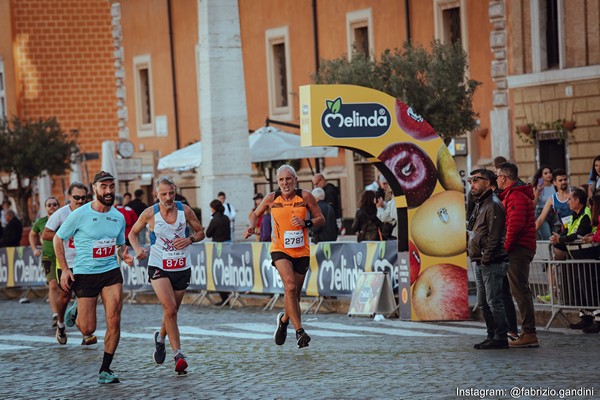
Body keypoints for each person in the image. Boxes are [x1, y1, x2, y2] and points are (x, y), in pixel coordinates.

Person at [54, 171, 134, 384]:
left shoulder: (117, 216)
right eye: (104, 187)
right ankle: (77, 309)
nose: (109, 191)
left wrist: (124, 255)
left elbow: (119, 244)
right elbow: (57, 238)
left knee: (114, 320)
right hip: (85, 273)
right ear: (95, 189)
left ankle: (105, 369)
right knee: (88, 329)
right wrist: (64, 269)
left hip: (110, 272)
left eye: (111, 187)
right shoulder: (80, 214)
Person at [129, 175, 204, 375]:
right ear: (156, 195)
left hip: (181, 266)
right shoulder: (149, 213)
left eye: (171, 193)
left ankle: (160, 339)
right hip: (158, 265)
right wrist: (137, 249)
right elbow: (132, 234)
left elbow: (200, 232)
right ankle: (178, 355)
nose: (168, 197)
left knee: (172, 312)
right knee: (169, 308)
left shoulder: (185, 210)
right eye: (164, 194)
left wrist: (189, 240)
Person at [244, 165, 324, 349]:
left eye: (288, 179)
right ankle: (300, 332)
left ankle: (284, 320)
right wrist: (251, 226)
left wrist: (306, 223)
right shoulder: (272, 198)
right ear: (277, 182)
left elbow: (321, 218)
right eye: (281, 180)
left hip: (301, 251)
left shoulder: (304, 196)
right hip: (280, 249)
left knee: (294, 294)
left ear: (295, 180)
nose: (285, 183)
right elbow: (256, 214)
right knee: (289, 285)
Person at [496, 162, 539, 348]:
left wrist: (505, 248)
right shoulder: (512, 195)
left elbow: (514, 226)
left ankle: (529, 332)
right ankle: (526, 331)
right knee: (519, 290)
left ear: (504, 178)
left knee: (520, 290)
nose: (496, 179)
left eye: (497, 176)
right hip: (518, 248)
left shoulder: (516, 197)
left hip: (518, 249)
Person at [43, 182, 91, 345]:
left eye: (83, 198)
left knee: (87, 297)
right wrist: (63, 234)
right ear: (68, 197)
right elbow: (46, 234)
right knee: (64, 296)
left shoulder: (90, 210)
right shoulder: (61, 214)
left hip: (85, 261)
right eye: (76, 197)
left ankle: (85, 332)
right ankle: (61, 324)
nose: (80, 201)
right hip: (65, 262)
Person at [467, 169, 510, 349]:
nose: (472, 184)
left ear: (487, 182)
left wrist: (486, 257)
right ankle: (491, 334)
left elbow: (495, 235)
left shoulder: (493, 204)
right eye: (470, 181)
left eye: (476, 180)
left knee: (494, 301)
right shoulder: (480, 203)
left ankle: (501, 337)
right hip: (480, 260)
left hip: (492, 260)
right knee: (483, 303)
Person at [550, 187, 596, 331]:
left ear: (577, 201)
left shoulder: (586, 215)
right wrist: (557, 237)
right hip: (576, 258)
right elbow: (567, 231)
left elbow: (579, 234)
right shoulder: (573, 215)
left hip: (588, 257)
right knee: (580, 288)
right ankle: (585, 317)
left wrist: (561, 238)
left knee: (590, 289)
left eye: (570, 199)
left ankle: (598, 319)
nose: (568, 202)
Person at [29, 197, 60, 328]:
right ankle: (55, 314)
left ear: (59, 206)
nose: (52, 207)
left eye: (54, 204)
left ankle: (65, 313)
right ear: (45, 207)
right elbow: (32, 234)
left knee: (65, 288)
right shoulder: (41, 222)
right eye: (49, 205)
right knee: (53, 285)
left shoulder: (64, 220)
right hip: (48, 257)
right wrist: (34, 248)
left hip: (63, 257)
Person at [535, 169, 572, 257]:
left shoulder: (574, 194)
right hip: (564, 233)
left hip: (577, 233)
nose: (563, 182)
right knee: (555, 258)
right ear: (554, 183)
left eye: (565, 179)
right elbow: (540, 219)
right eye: (560, 180)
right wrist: (528, 233)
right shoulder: (552, 199)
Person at [205, 199, 231, 305]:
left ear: (213, 208)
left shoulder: (214, 219)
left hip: (217, 249)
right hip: (228, 246)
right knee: (227, 271)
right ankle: (228, 294)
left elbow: (208, 234)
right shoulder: (226, 218)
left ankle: (224, 297)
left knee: (218, 272)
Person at [531, 166, 556, 240]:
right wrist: (537, 191)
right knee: (547, 236)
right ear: (541, 176)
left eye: (550, 172)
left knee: (555, 235)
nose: (549, 175)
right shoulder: (537, 187)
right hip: (541, 213)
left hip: (554, 213)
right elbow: (534, 204)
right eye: (545, 173)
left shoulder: (555, 186)